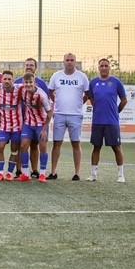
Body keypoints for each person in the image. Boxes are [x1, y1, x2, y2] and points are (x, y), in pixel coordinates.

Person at [48, 53, 89, 181]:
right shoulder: (56, 76)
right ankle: (53, 172)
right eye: (67, 60)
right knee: (56, 143)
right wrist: (57, 102)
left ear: (75, 62)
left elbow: (87, 94)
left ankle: (77, 173)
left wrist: (78, 104)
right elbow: (50, 92)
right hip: (59, 114)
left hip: (76, 115)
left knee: (75, 143)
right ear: (63, 61)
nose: (70, 62)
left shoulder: (82, 76)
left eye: (72, 60)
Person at [87, 58, 128, 183]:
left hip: (112, 122)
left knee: (116, 147)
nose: (104, 68)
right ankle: (93, 175)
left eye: (106, 65)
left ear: (109, 67)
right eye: (101, 66)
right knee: (96, 147)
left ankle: (121, 175)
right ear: (98, 68)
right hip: (97, 121)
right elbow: (92, 99)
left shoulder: (116, 82)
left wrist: (116, 112)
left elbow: (124, 100)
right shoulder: (93, 83)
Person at [14, 57, 49, 178]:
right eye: (27, 65)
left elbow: (48, 106)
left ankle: (37, 171)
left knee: (37, 145)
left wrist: (45, 127)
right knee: (22, 145)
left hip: (39, 122)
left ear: (35, 68)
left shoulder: (42, 86)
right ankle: (22, 171)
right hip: (23, 120)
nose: (29, 67)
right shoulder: (18, 83)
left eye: (31, 65)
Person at [0, 71, 23, 181]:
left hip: (17, 127)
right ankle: (0, 172)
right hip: (3, 126)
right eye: (5, 79)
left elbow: (32, 88)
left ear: (13, 80)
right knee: (0, 147)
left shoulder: (20, 89)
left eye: (9, 79)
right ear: (1, 80)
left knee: (14, 150)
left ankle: (10, 172)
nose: (7, 81)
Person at [18, 73, 52, 183]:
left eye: (30, 82)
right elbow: (10, 85)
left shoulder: (41, 95)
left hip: (41, 125)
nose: (28, 84)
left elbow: (50, 112)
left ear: (34, 83)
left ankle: (42, 174)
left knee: (42, 146)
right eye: (26, 82)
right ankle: (26, 173)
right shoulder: (22, 90)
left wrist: (45, 129)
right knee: (23, 145)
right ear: (23, 83)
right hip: (28, 124)